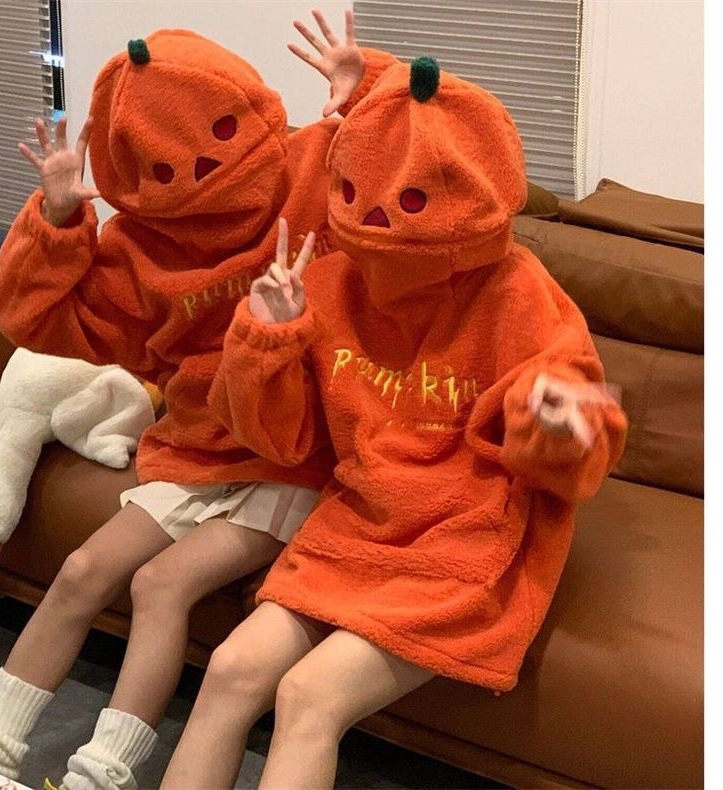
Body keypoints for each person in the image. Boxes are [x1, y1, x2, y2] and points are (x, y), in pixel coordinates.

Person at [161, 56, 628, 789]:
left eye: (409, 203)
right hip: (358, 523)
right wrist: (264, 340)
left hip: (465, 539)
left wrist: (559, 425)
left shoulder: (518, 291)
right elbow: (278, 439)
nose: (380, 223)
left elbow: (571, 421)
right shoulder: (325, 281)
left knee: (307, 697)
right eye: (361, 197)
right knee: (229, 669)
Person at [0, 14, 397, 790]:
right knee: (83, 569)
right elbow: (37, 320)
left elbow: (412, 175)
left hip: (294, 452)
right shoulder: (135, 250)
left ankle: (101, 775)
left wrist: (365, 92)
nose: (195, 178)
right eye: (160, 168)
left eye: (217, 139)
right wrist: (57, 220)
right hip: (196, 446)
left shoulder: (310, 171)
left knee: (161, 584)